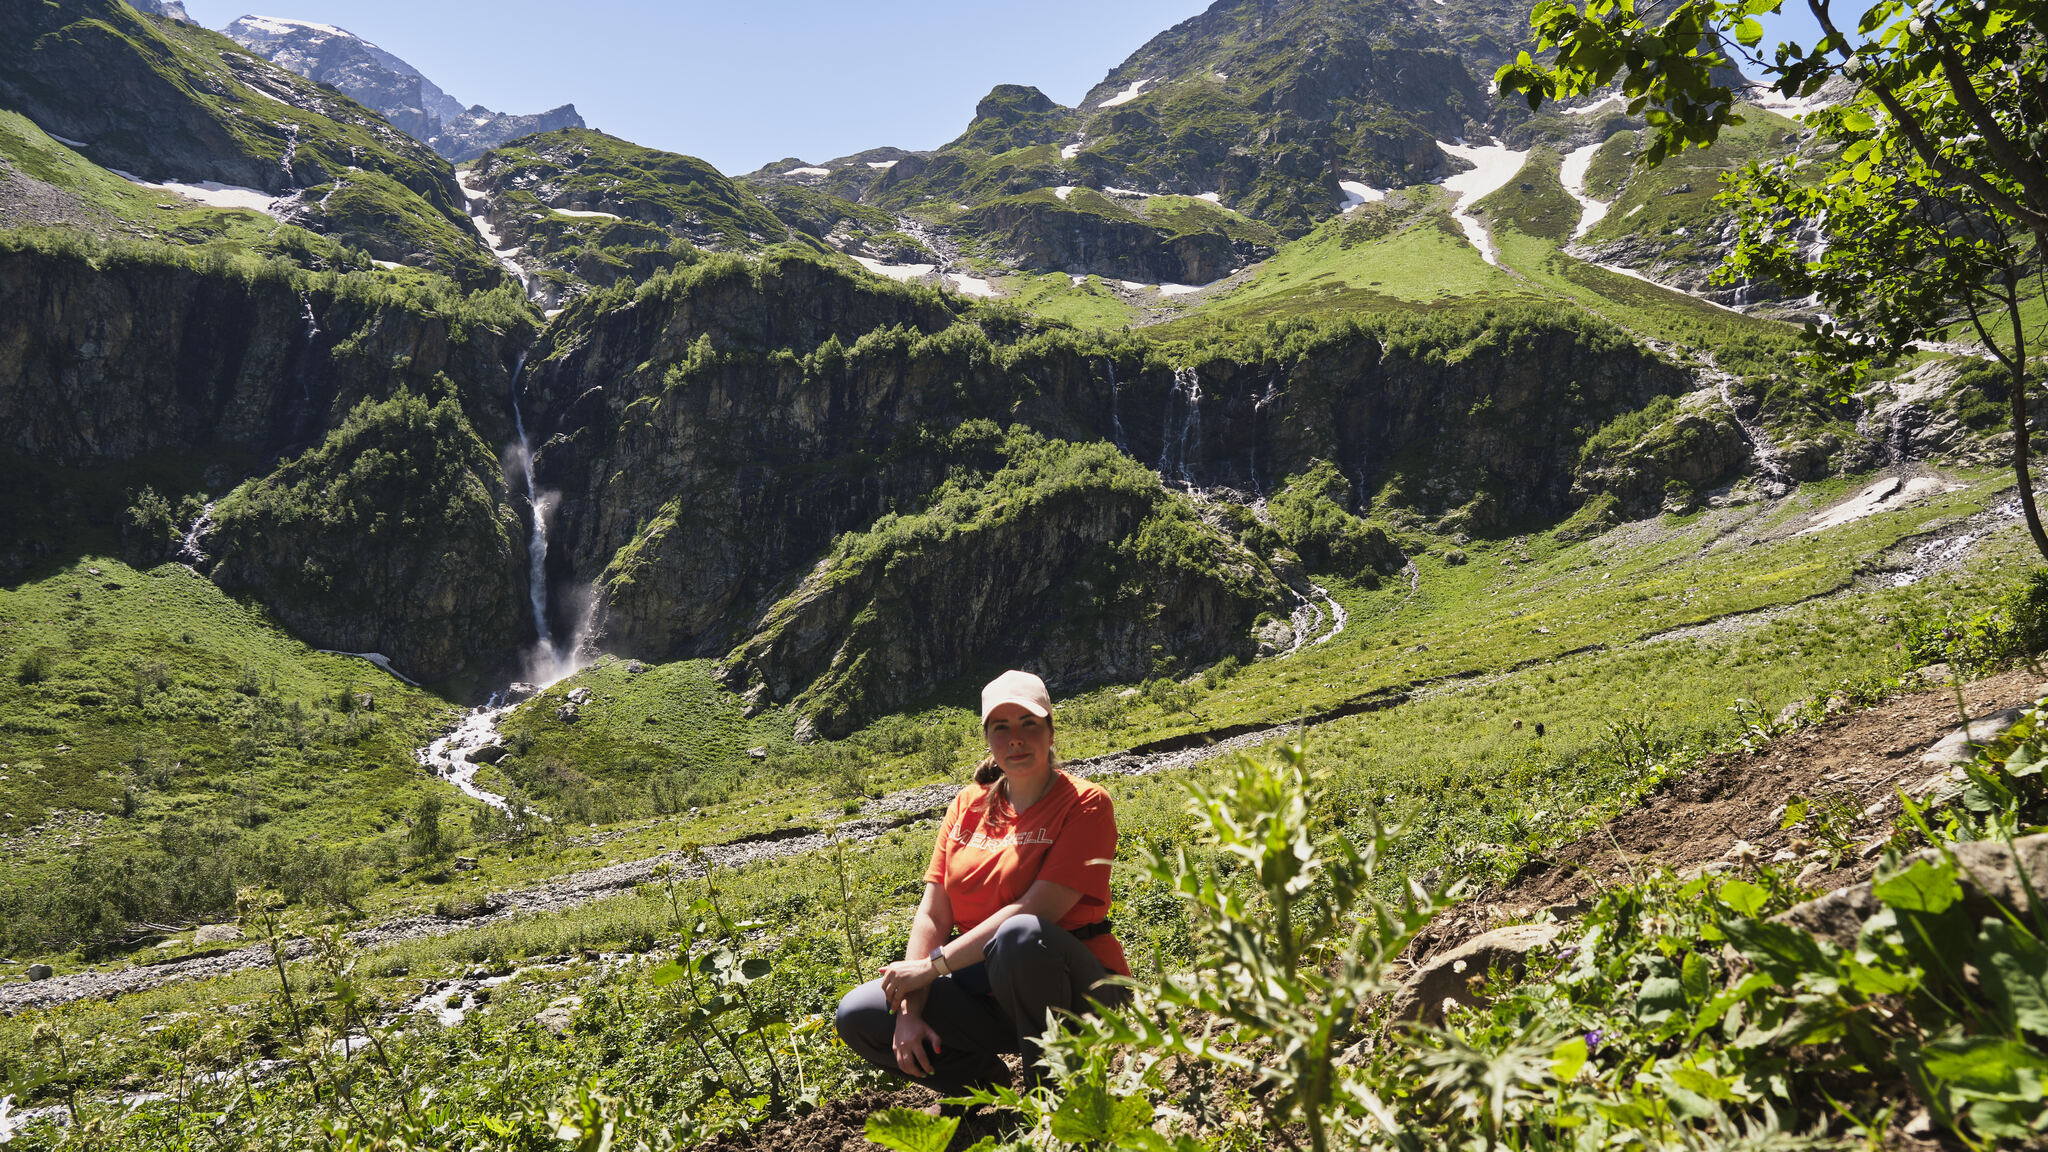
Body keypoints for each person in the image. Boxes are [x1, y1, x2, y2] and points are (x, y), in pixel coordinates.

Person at [834, 669, 1128, 1096]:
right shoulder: (967, 804)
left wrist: (930, 968)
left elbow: (1037, 909)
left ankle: (1055, 1095)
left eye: (1029, 724)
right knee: (858, 1014)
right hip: (987, 990)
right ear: (987, 737)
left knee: (1020, 935)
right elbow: (933, 912)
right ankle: (977, 1087)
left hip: (1079, 991)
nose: (1016, 739)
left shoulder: (1085, 803)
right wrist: (909, 1008)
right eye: (1001, 727)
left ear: (1050, 730)